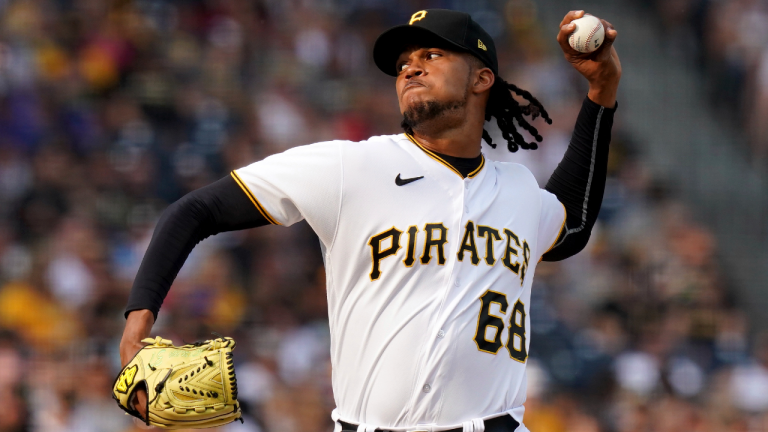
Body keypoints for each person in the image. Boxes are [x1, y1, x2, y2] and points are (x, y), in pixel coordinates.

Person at [119, 8, 620, 432]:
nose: (410, 69)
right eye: (403, 62)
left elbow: (572, 224)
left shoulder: (517, 189)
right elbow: (195, 210)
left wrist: (601, 93)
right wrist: (137, 322)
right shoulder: (351, 167)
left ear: (482, 78)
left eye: (432, 55)